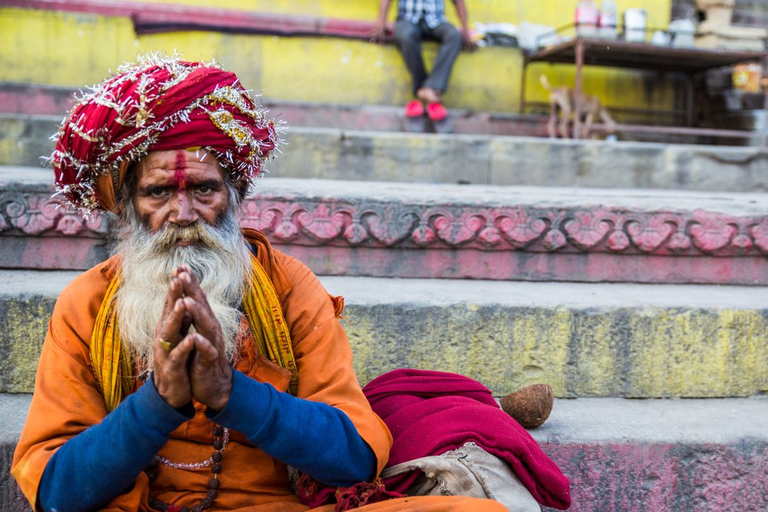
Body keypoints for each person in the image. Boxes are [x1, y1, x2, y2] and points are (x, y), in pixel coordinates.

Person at [10, 54, 508, 512]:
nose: (184, 215)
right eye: (158, 192)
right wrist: (159, 402)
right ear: (127, 207)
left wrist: (229, 392)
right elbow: (57, 491)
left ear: (234, 194)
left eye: (204, 188)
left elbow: (355, 460)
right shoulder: (88, 305)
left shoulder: (288, 288)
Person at [372, 0, 477, 132]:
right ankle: (427, 89)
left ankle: (429, 87)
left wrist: (465, 30)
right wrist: (381, 22)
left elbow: (458, 2)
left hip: (436, 21)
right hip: (407, 19)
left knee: (453, 36)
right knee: (407, 35)